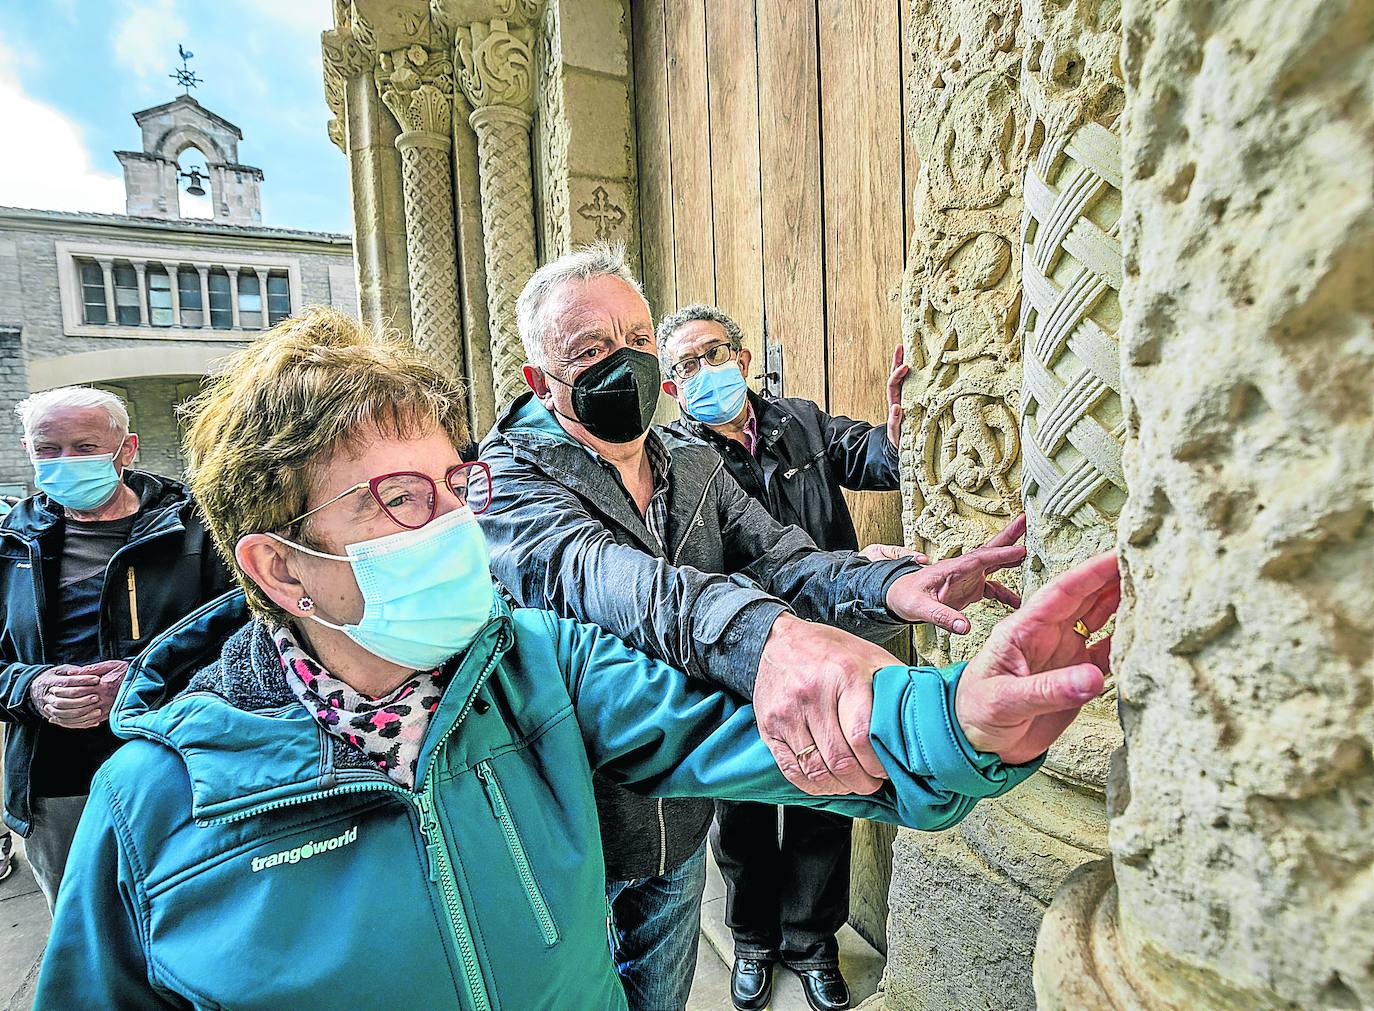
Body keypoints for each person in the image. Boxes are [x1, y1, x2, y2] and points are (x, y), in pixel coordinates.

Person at [33, 308, 1119, 1010]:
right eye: (400, 500)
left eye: (456, 486)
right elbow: (624, 584)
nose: (456, 527)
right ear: (280, 567)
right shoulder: (157, 806)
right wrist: (775, 638)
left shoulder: (531, 664)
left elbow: (738, 731)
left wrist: (957, 723)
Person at [477, 244, 1023, 1011]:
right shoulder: (505, 480)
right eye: (591, 350)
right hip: (572, 827)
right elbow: (612, 580)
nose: (622, 364)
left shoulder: (688, 464)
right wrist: (769, 637)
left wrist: (893, 583)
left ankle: (798, 942)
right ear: (541, 380)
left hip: (677, 826)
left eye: (635, 339)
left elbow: (784, 557)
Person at [660, 303, 930, 1009]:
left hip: (829, 642)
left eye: (711, 353)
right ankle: (752, 940)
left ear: (742, 359)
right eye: (683, 366)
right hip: (737, 659)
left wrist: (905, 436)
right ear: (669, 388)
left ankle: (812, 943)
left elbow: (872, 455)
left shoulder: (799, 421)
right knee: (744, 808)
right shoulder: (673, 464)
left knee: (827, 795)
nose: (701, 372)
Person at [0, 386, 231, 909]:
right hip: (55, 783)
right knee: (83, 925)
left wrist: (144, 681)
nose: (65, 462)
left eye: (84, 447)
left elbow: (246, 643)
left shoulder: (197, 531)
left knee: (186, 915)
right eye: (48, 449)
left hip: (176, 768)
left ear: (126, 450)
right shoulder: (9, 543)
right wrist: (30, 687)